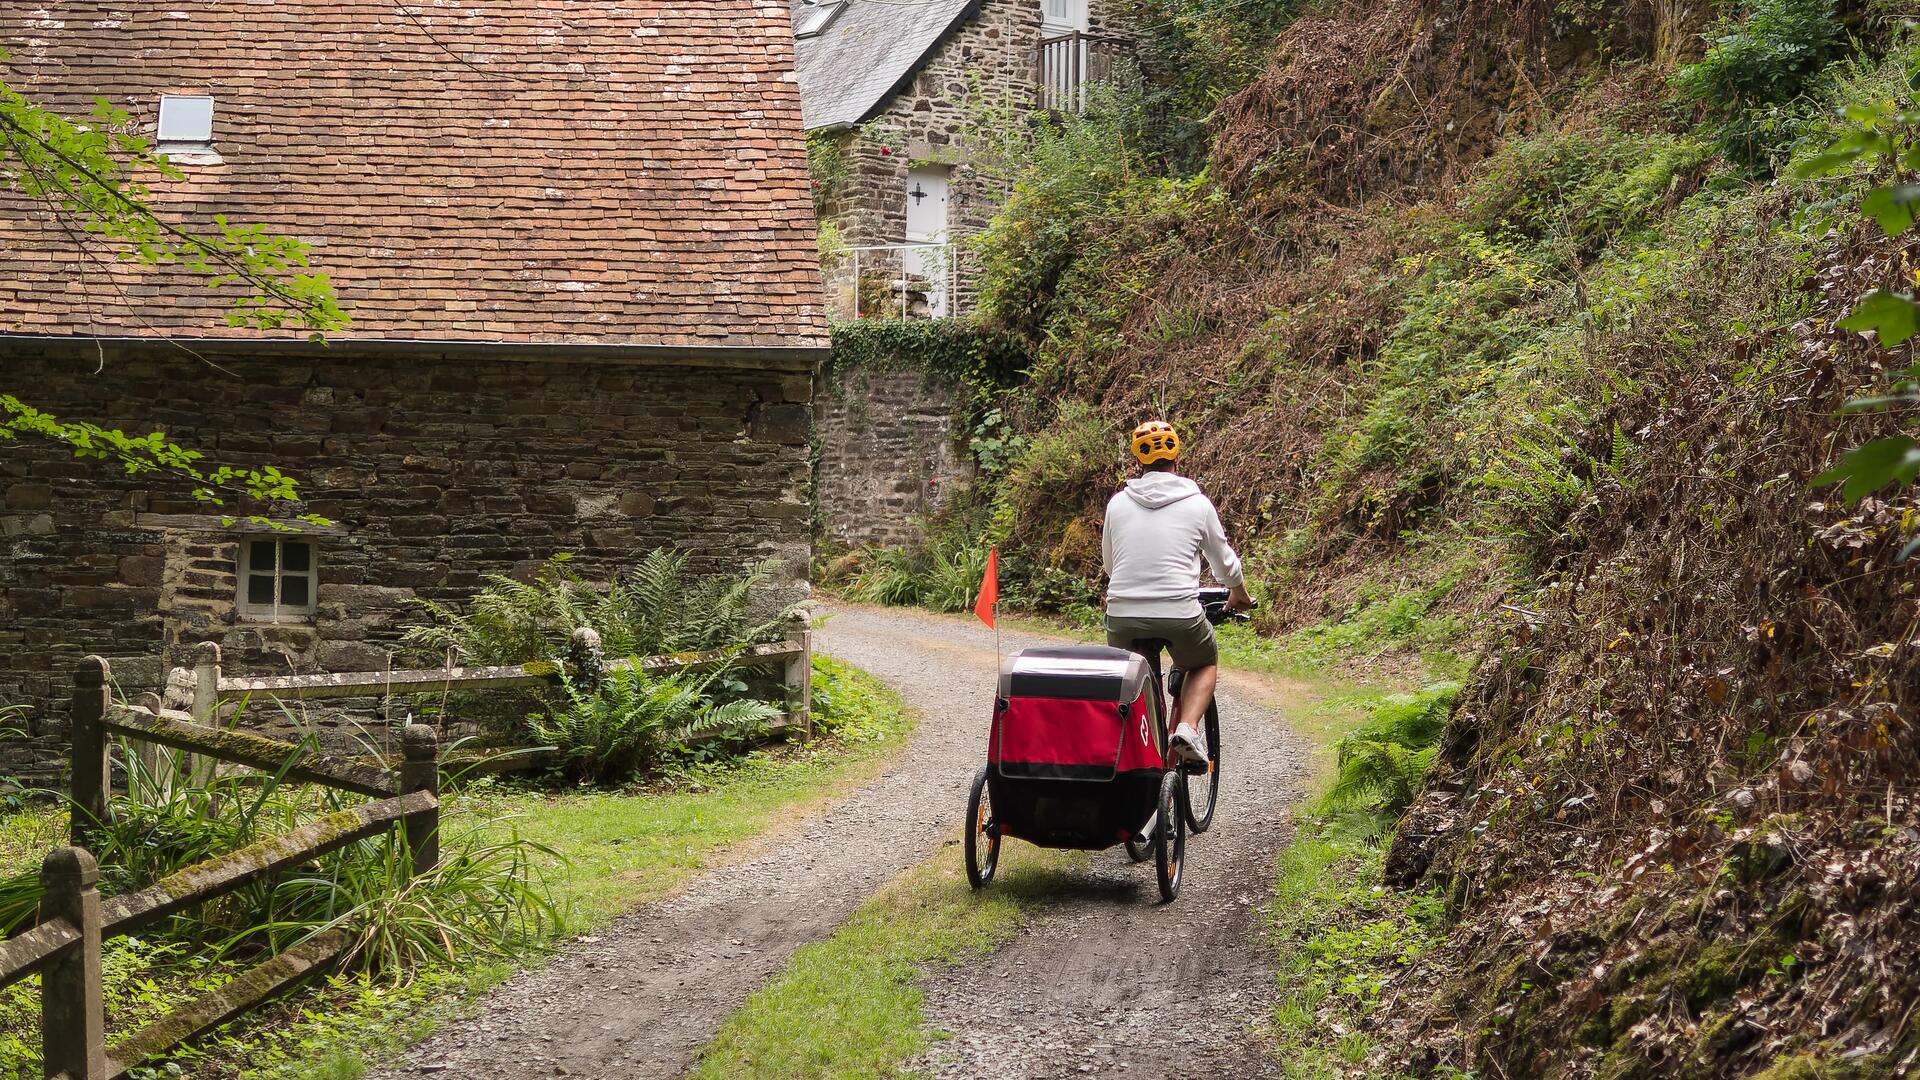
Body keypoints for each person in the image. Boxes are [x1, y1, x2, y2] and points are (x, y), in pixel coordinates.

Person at [1101, 420, 1253, 767]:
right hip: (1179, 613)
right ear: (1177, 458)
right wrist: (1238, 593)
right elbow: (1224, 561)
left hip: (1123, 615)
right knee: (1202, 662)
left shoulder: (1117, 504)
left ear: (1137, 462)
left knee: (1131, 678)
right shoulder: (1197, 503)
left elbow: (1111, 565)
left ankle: (1136, 745)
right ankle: (1187, 727)